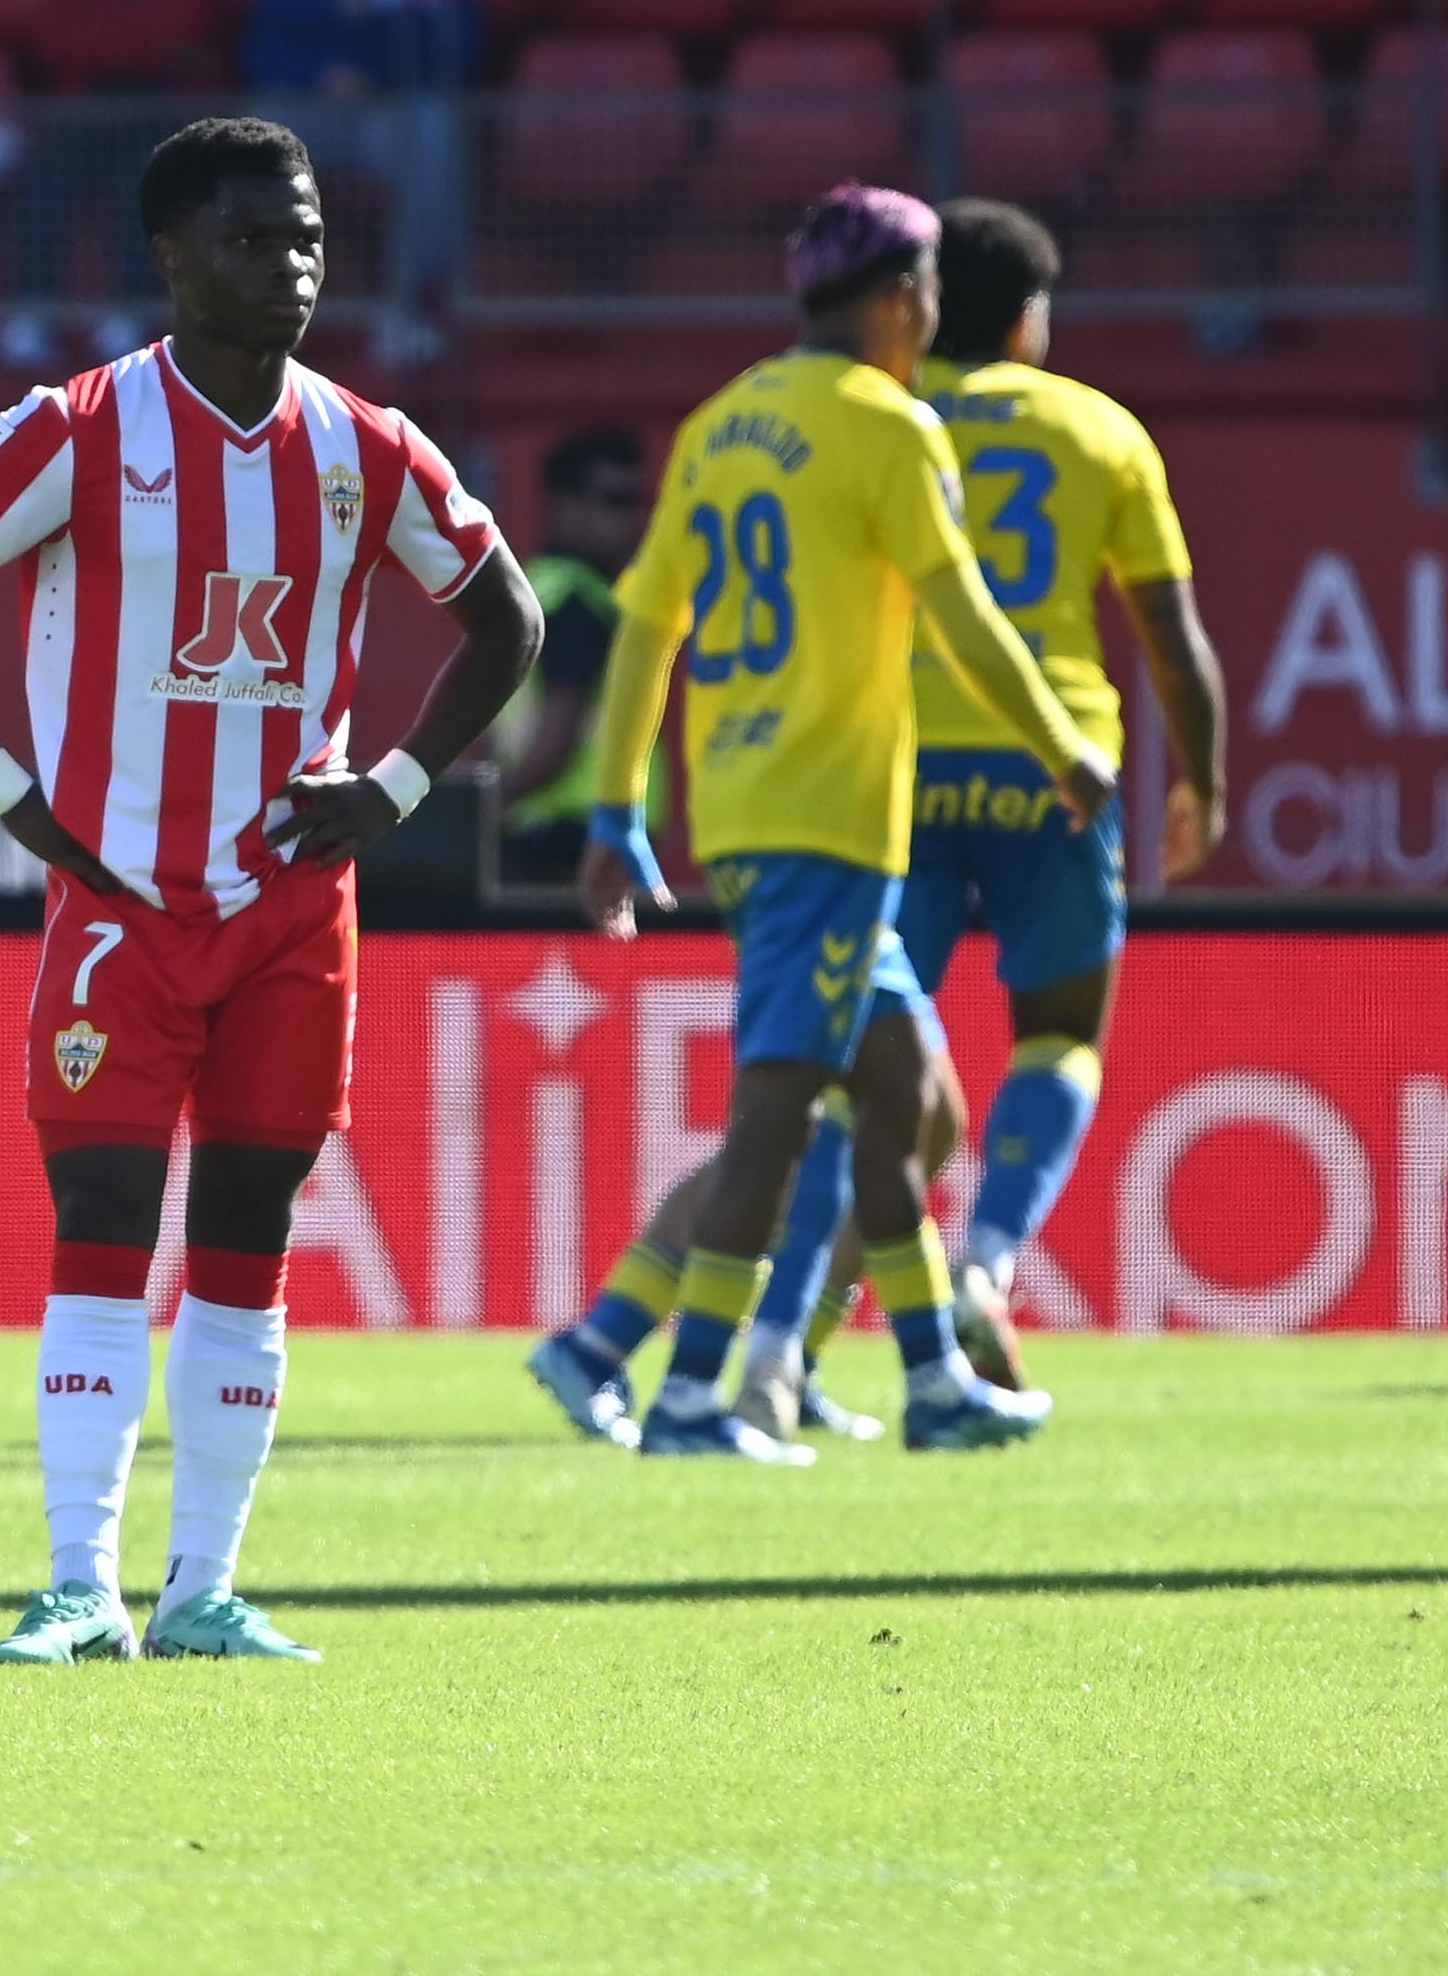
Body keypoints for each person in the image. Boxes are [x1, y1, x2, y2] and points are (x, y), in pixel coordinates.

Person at [0, 117, 542, 1664]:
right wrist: (9, 792)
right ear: (168, 257)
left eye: (303, 239)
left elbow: (508, 622)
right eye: (246, 240)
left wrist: (397, 788)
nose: (285, 266)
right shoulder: (72, 429)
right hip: (122, 902)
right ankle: (76, 1581)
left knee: (245, 1234)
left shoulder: (365, 444)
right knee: (99, 1220)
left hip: (292, 906)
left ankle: (202, 1587)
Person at [526, 201, 1234, 1435]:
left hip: (758, 803)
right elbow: (965, 619)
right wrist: (1063, 747)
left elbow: (648, 626)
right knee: (788, 1111)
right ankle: (673, 1373)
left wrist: (620, 804)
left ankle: (925, 1380)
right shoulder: (891, 430)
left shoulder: (719, 423)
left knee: (907, 1096)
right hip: (835, 811)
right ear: (900, 295)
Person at [245, 0, 482, 362]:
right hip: (313, 107)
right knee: (248, 145)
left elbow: (457, 45)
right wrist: (321, 70)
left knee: (434, 138)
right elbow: (265, 44)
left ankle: (402, 309)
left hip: (393, 109)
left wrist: (365, 40)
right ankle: (255, 312)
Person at [2, 0, 234, 372]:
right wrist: (149, 43)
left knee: (147, 172)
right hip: (93, 101)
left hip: (172, 107)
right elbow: (55, 36)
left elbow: (187, 25)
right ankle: (33, 311)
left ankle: (129, 312)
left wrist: (113, 37)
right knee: (48, 168)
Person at [492, 425, 658, 886]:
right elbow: (556, 740)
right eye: (614, 501)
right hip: (569, 839)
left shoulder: (535, 590)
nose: (633, 520)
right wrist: (486, 814)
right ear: (565, 505)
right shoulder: (576, 601)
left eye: (638, 502)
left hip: (560, 834)